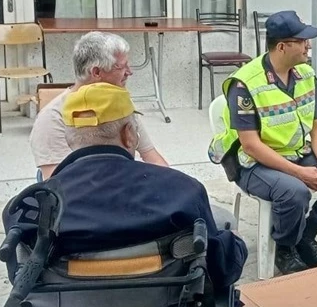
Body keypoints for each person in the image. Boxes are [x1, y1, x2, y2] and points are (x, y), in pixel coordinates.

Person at [208, 10, 317, 275]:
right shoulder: (245, 84)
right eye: (303, 40)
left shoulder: (305, 75)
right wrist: (300, 173)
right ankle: (284, 247)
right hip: (255, 163)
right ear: (282, 46)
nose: (309, 45)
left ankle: (306, 235)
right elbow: (250, 145)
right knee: (295, 191)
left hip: (298, 151)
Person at [42, 82, 245, 291]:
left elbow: (22, 276)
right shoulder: (183, 191)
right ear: (129, 134)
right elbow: (220, 268)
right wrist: (235, 245)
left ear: (68, 139)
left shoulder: (35, 205)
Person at [30, 31, 168, 178]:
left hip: (121, 181)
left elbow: (150, 154)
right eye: (121, 67)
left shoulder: (119, 103)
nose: (129, 72)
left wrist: (176, 186)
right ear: (96, 72)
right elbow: (58, 185)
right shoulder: (51, 119)